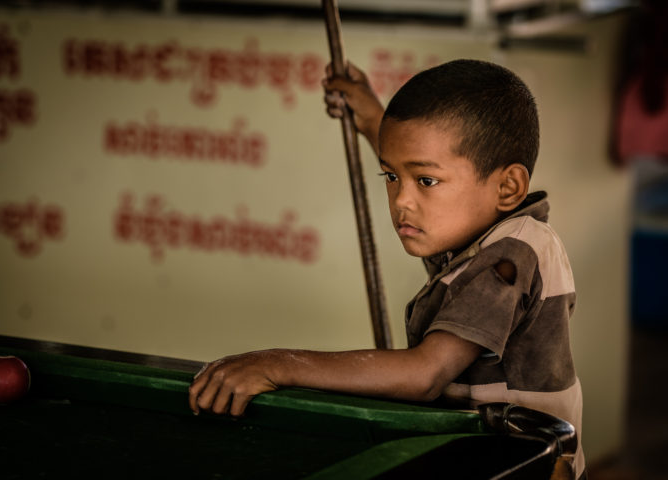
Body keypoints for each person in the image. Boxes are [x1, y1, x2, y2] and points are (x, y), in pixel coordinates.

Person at [189, 59, 585, 478]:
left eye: (425, 182)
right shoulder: (480, 230)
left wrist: (276, 364)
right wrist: (371, 117)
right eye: (391, 175)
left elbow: (425, 374)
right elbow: (425, 154)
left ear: (508, 187)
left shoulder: (512, 253)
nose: (401, 201)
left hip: (525, 468)